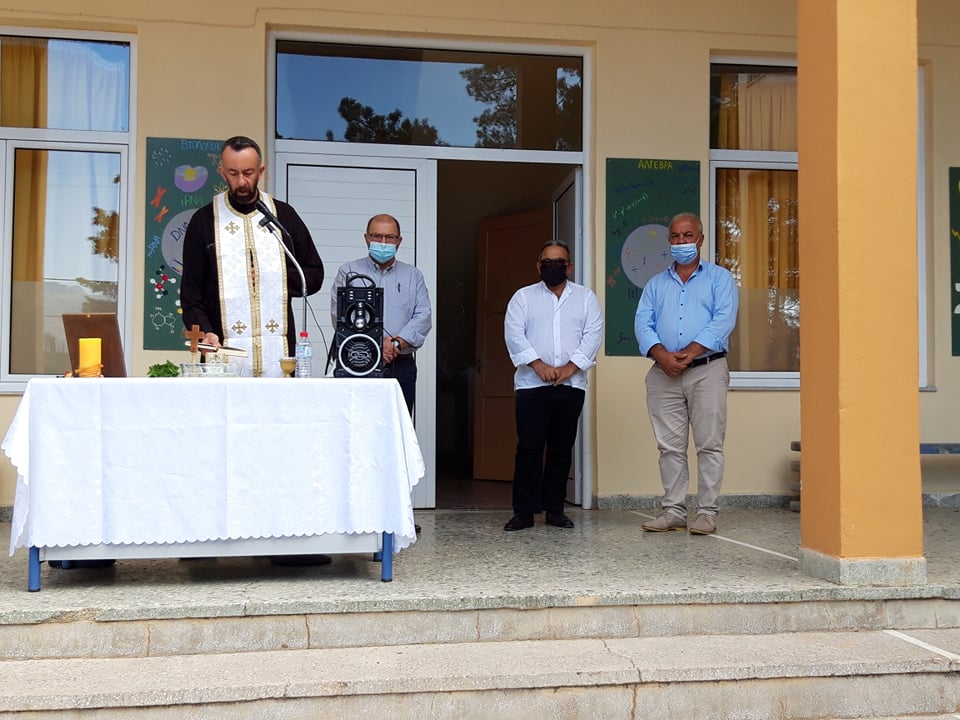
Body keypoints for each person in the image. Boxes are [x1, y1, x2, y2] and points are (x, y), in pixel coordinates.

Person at [180, 135, 325, 377]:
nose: (241, 182)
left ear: (261, 171)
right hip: (223, 354)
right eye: (233, 173)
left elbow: (313, 273)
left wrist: (274, 276)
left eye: (248, 173)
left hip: (280, 356)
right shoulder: (204, 221)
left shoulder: (283, 216)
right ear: (222, 173)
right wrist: (206, 331)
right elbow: (191, 293)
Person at [634, 212, 739, 535]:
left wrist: (691, 352)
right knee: (669, 447)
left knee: (709, 445)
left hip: (707, 369)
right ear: (669, 241)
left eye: (688, 235)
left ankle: (706, 513)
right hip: (662, 373)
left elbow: (723, 320)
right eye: (676, 236)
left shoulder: (720, 279)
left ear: (701, 240)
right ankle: (674, 511)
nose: (682, 242)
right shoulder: (656, 284)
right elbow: (642, 323)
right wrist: (661, 355)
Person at [502, 240, 603, 531]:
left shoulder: (586, 298)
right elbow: (514, 334)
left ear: (569, 267)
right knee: (529, 447)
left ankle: (555, 510)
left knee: (561, 448)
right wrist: (538, 365)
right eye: (547, 262)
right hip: (531, 386)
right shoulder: (522, 297)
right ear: (538, 266)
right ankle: (524, 512)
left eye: (559, 262)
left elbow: (593, 335)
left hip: (571, 385)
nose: (553, 267)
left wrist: (570, 368)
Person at [331, 214, 432, 414]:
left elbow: (423, 316)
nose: (383, 242)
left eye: (389, 237)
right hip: (357, 361)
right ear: (366, 238)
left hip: (399, 365)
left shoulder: (413, 276)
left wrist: (394, 344)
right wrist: (376, 346)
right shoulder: (348, 272)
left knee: (397, 425)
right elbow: (339, 315)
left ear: (399, 241)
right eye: (377, 236)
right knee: (355, 423)